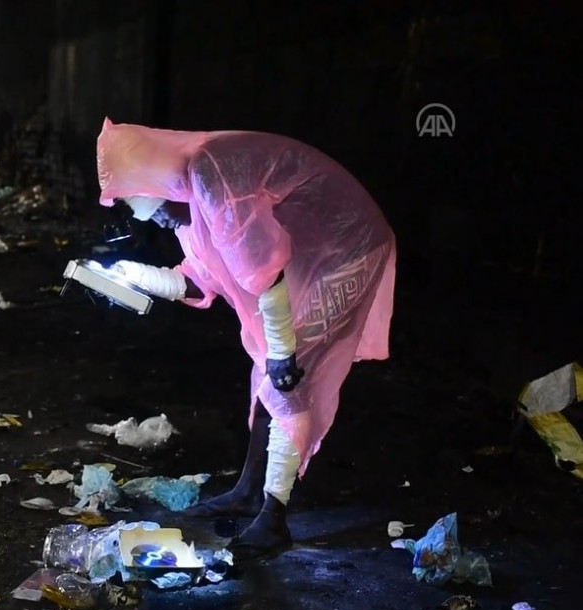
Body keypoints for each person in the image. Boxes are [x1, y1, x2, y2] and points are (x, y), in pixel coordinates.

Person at [96, 118, 396, 558]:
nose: (158, 221)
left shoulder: (210, 176)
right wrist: (129, 275)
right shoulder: (190, 208)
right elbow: (198, 281)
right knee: (270, 371)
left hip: (348, 243)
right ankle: (249, 492)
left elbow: (263, 268)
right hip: (309, 250)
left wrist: (283, 351)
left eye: (154, 207)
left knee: (289, 377)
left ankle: (273, 519)